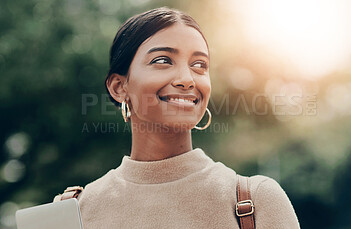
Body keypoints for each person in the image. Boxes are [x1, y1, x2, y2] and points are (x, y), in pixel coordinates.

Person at [54, 7, 300, 229]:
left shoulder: (257, 201)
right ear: (119, 87)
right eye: (162, 60)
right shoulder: (71, 212)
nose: (187, 79)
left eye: (199, 65)